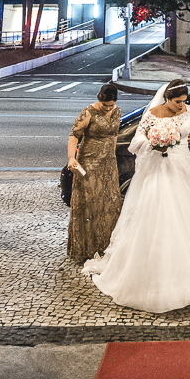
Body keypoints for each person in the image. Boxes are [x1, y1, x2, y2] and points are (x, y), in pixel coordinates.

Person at [82, 78, 190, 313]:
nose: (182, 106)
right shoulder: (153, 114)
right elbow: (137, 142)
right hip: (159, 170)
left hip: (185, 167)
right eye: (178, 102)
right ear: (167, 99)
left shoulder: (186, 110)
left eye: (184, 102)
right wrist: (154, 143)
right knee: (162, 217)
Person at [66, 82, 122, 264]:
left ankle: (105, 246)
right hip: (88, 162)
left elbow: (113, 136)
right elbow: (74, 135)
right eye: (105, 105)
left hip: (108, 164)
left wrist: (112, 159)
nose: (108, 109)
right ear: (100, 101)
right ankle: (85, 249)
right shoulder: (89, 112)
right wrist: (71, 158)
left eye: (111, 105)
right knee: (88, 203)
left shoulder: (117, 112)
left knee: (108, 204)